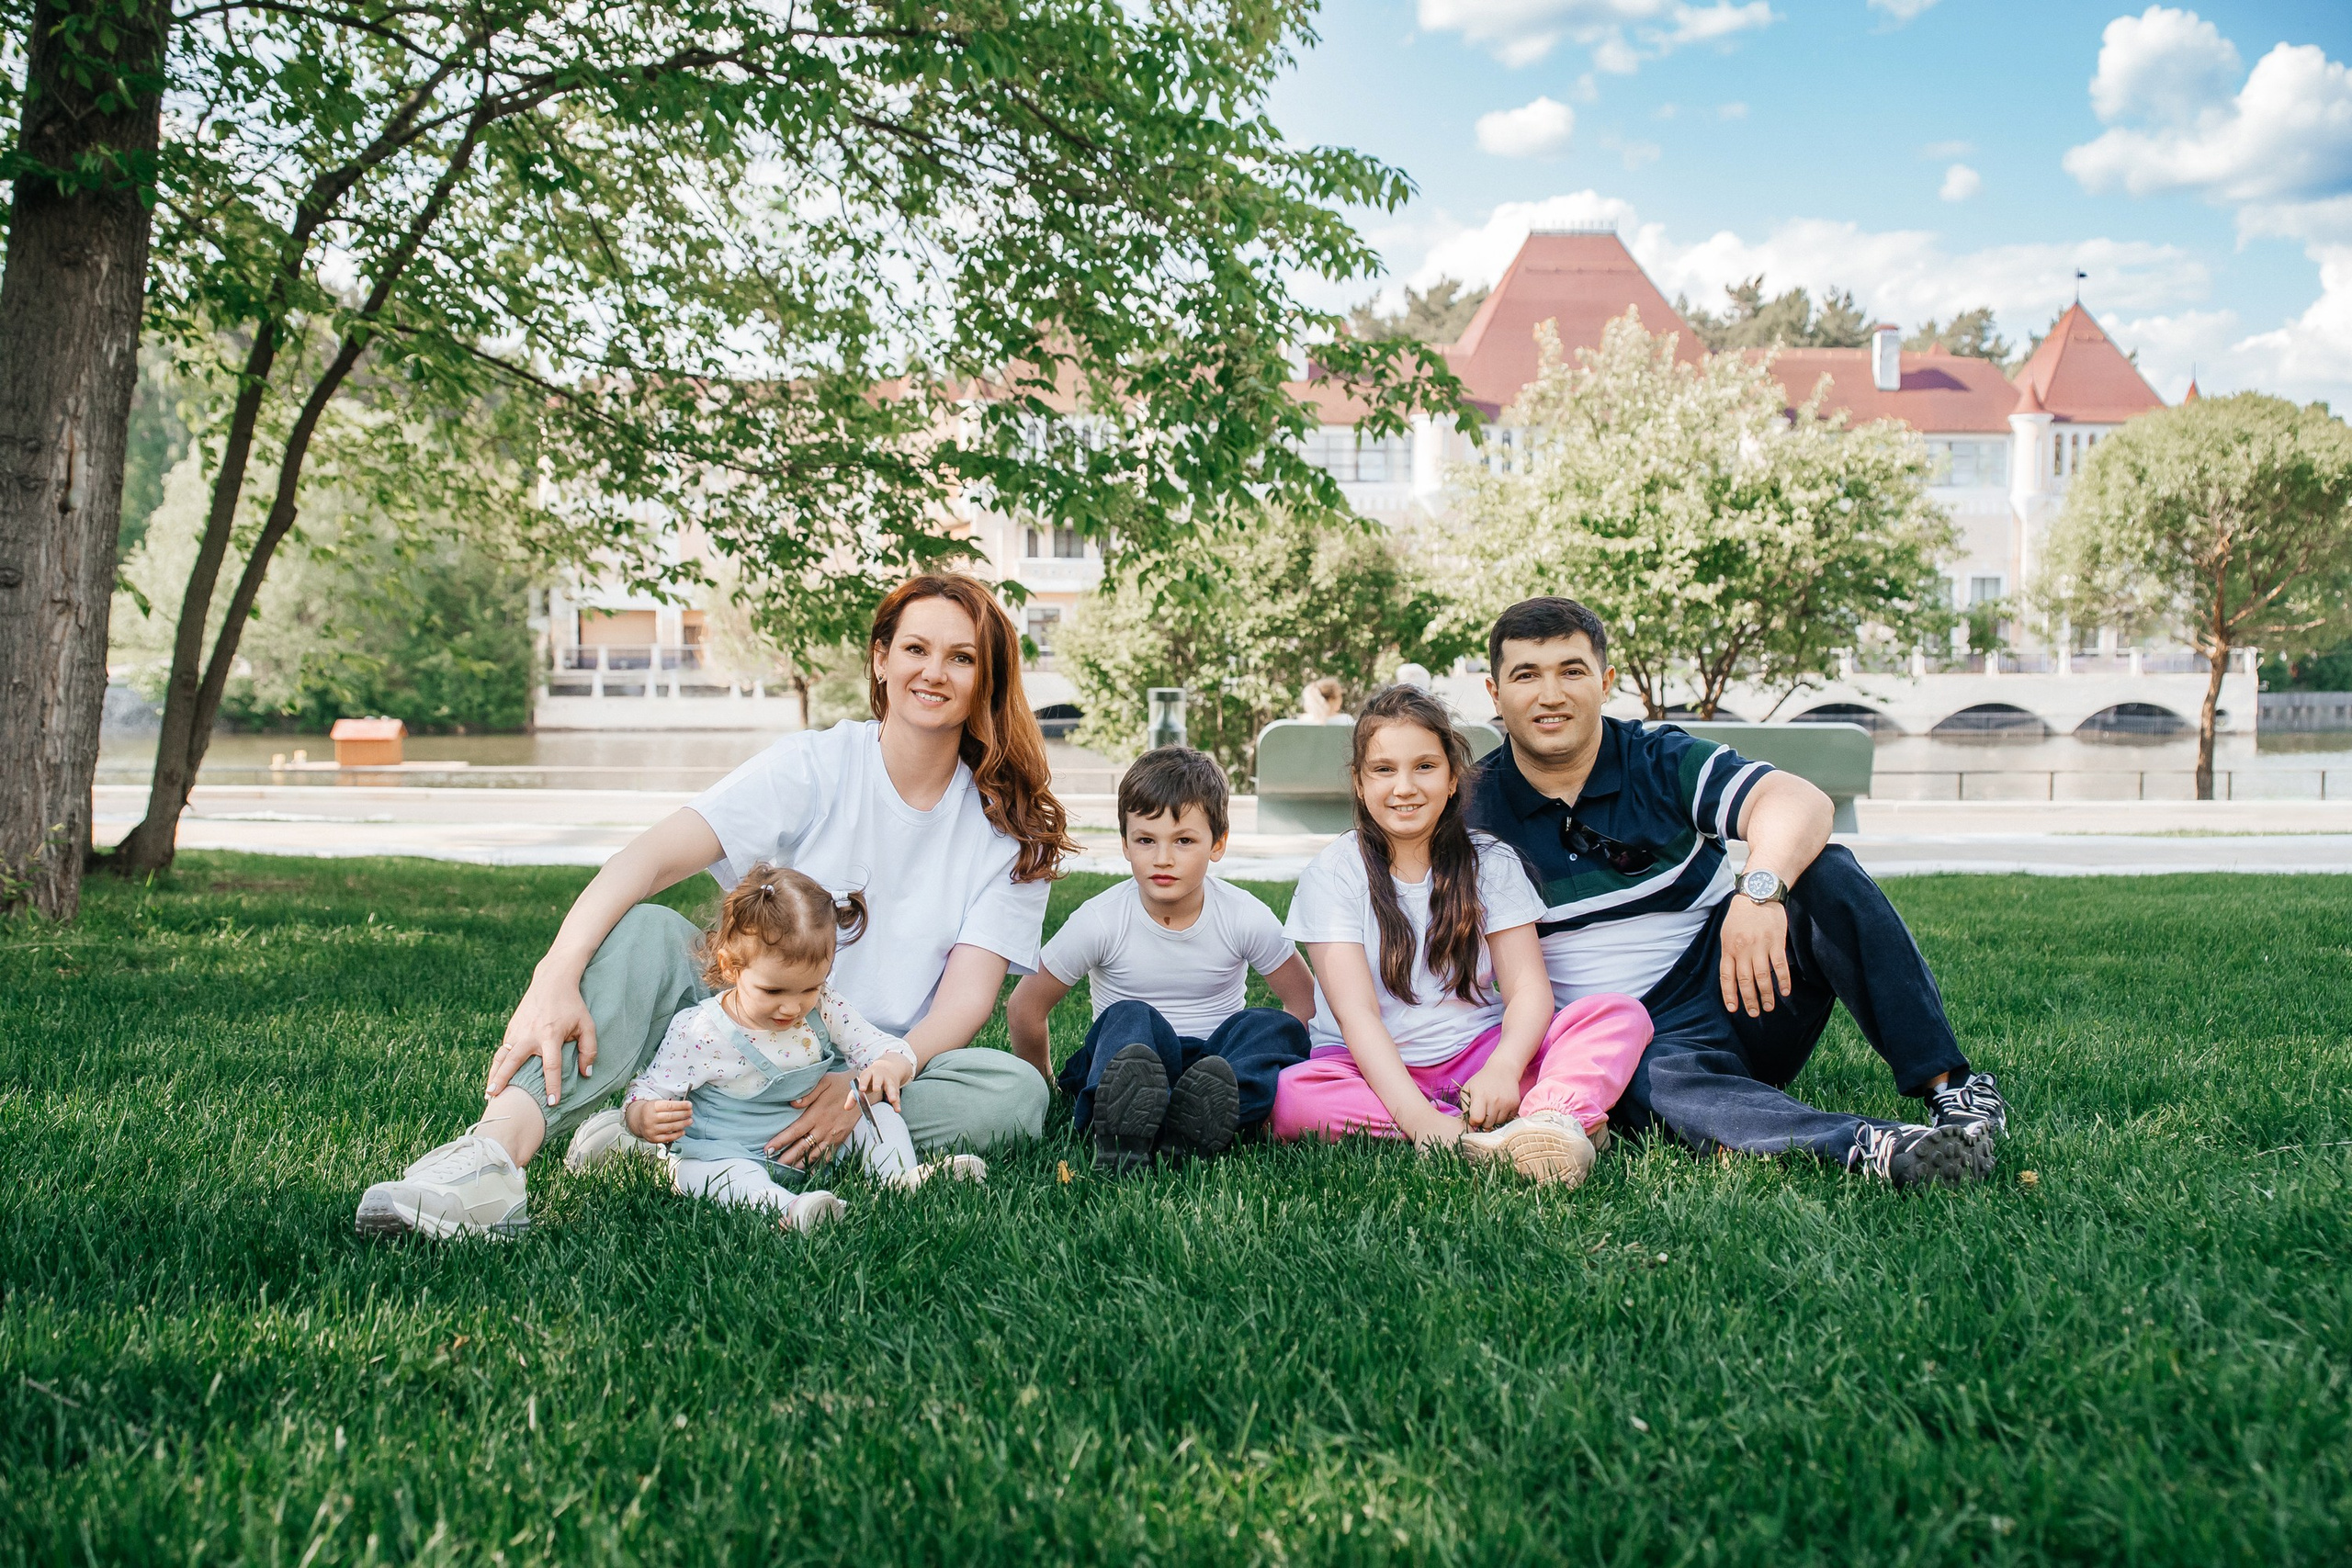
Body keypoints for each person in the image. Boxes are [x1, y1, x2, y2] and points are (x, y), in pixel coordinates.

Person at [355, 573, 1073, 1238]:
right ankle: (488, 1159)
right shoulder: (814, 766)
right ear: (881, 659)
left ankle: (680, 1140)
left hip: (869, 1064)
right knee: (644, 931)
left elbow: (967, 1000)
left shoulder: (1010, 830)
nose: (934, 672)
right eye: (916, 648)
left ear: (986, 680)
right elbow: (645, 859)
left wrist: (858, 1085)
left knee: (1013, 1092)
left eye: (961, 658)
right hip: (737, 1035)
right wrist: (556, 973)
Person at [1463, 596, 2008, 1189]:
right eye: (1527, 675)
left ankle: (1955, 1093)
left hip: (1738, 984)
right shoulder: (1470, 809)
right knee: (1641, 1080)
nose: (1551, 695)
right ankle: (1877, 1148)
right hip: (1607, 1039)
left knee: (1825, 872)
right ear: (1495, 694)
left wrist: (1759, 893)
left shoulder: (1659, 759)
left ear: (1605, 682)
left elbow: (1799, 802)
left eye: (1572, 671)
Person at [1269, 685, 1654, 1187]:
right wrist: (1422, 1121)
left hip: (1478, 1055)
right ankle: (1489, 1132)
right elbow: (1356, 1016)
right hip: (1367, 1068)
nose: (1404, 787)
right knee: (1293, 1096)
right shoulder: (1335, 873)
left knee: (1617, 1016)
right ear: (1360, 784)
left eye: (1425, 766)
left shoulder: (1491, 862)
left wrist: (1502, 1068)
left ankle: (1550, 1119)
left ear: (1452, 779)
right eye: (1384, 770)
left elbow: (1529, 990)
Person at [619, 865, 989, 1233]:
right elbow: (645, 1091)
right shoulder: (700, 1030)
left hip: (816, 1145)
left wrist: (890, 1065)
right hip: (728, 1150)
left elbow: (879, 1046)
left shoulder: (825, 1006)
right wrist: (643, 1117)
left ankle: (899, 1179)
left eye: (809, 988)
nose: (792, 1008)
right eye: (773, 991)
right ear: (731, 967)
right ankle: (792, 1207)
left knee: (879, 1116)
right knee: (719, 1176)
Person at [1008, 747, 1314, 1173]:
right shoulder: (1100, 920)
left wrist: (1252, 1060)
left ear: (1218, 844)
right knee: (1131, 1016)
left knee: (1268, 1026)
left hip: (1214, 1068)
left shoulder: (1243, 915)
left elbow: (1303, 1004)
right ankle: (1122, 1123)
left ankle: (1202, 1120)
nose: (1163, 858)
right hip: (1128, 1066)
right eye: (1146, 840)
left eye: (1184, 840)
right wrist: (1043, 1086)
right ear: (1125, 845)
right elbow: (1025, 1005)